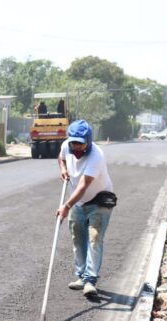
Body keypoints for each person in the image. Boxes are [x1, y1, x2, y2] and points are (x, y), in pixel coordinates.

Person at [56, 120, 115, 297]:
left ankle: (90, 281)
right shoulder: (67, 146)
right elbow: (61, 158)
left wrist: (66, 206)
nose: (76, 147)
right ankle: (81, 277)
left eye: (80, 143)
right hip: (79, 202)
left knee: (94, 239)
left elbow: (83, 186)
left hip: (99, 200)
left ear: (88, 141)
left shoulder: (96, 156)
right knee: (78, 239)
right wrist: (63, 169)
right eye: (73, 142)